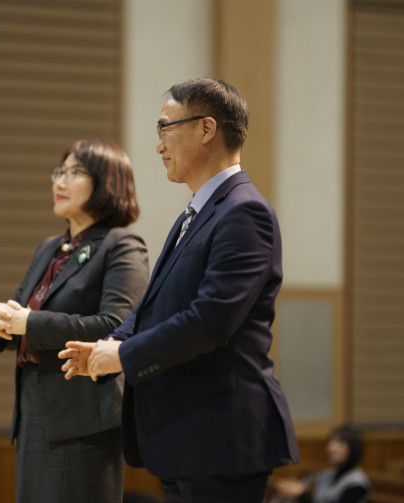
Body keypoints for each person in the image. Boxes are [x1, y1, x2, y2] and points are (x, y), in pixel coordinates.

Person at [59, 77, 300, 503]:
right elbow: (156, 305)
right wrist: (109, 345)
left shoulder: (245, 212)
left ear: (206, 129)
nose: (159, 146)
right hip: (186, 436)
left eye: (165, 128)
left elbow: (211, 320)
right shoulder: (198, 211)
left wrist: (124, 355)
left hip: (220, 436)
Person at [0, 139, 149, 503]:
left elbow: (117, 325)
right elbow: (22, 309)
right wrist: (4, 323)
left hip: (82, 420)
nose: (60, 181)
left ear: (107, 182)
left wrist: (30, 323)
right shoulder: (50, 248)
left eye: (74, 172)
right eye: (59, 172)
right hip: (34, 412)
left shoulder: (121, 245)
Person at [268, 425, 371, 503]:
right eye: (331, 441)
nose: (330, 448)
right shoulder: (327, 474)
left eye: (340, 443)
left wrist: (301, 495)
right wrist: (294, 488)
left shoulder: (357, 484)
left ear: (353, 448)